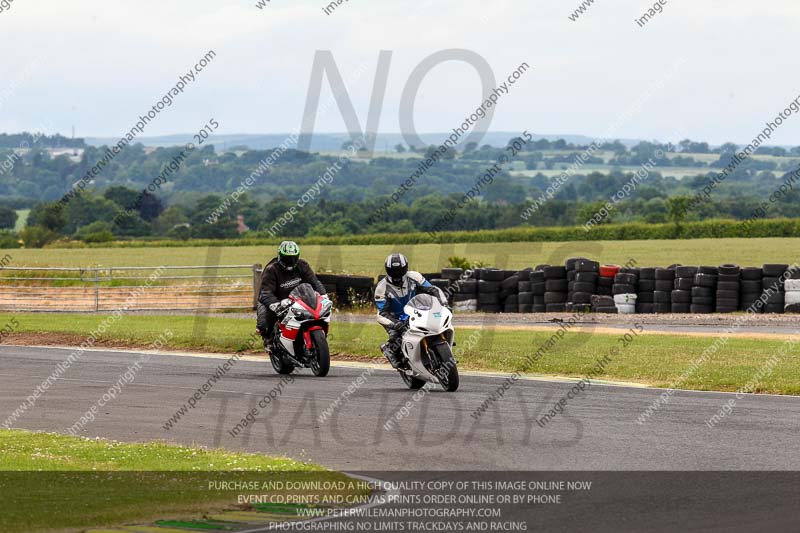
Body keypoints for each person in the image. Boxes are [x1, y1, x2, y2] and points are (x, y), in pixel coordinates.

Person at [374, 253, 445, 368]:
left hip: (415, 311)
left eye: (399, 270)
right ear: (387, 270)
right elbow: (383, 313)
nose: (397, 274)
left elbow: (433, 290)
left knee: (435, 324)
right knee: (397, 336)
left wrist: (444, 303)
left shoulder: (414, 277)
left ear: (406, 268)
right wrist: (396, 324)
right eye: (393, 271)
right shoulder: (381, 288)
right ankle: (390, 349)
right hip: (394, 318)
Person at [257, 241, 327, 348]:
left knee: (314, 314)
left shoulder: (302, 265)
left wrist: (323, 296)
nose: (291, 261)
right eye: (287, 258)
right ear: (280, 256)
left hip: (297, 298)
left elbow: (315, 282)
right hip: (275, 299)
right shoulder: (271, 269)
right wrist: (276, 305)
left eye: (294, 258)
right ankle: (268, 339)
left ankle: (308, 339)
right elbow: (266, 292)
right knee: (264, 322)